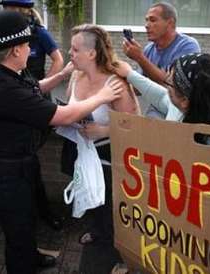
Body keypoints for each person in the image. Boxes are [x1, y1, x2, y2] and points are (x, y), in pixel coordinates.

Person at [0, 11, 123, 274]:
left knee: (26, 221)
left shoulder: (6, 75)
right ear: (16, 50)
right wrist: (103, 96)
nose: (31, 49)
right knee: (17, 231)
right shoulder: (1, 87)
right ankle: (23, 265)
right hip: (6, 173)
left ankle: (31, 256)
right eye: (27, 44)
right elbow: (62, 116)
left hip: (17, 166)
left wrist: (62, 75)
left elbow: (33, 90)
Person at [66, 24, 139, 246]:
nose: (70, 53)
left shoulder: (115, 83)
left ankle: (114, 243)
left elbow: (134, 126)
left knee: (108, 201)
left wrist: (103, 130)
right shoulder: (75, 76)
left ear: (92, 53)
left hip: (107, 154)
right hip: (78, 149)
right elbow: (69, 109)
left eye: (75, 49)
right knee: (88, 192)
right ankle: (96, 230)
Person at [0, 0, 65, 230]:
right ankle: (32, 210)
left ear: (19, 10)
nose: (3, 11)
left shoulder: (39, 33)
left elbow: (58, 59)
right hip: (15, 95)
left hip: (33, 94)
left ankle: (43, 211)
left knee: (30, 157)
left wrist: (41, 84)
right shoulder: (3, 35)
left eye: (7, 7)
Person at [123, 1, 200, 119]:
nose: (146, 25)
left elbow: (174, 85)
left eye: (152, 20)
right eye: (146, 20)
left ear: (170, 23)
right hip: (158, 107)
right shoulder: (149, 49)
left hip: (182, 109)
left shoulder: (187, 45)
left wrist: (139, 58)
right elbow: (138, 87)